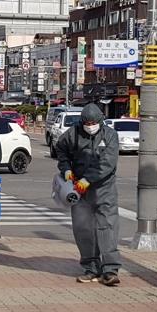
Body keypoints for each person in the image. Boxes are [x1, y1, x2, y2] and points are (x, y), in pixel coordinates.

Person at [55, 103, 121, 286]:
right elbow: (60, 149)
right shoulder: (73, 133)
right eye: (87, 122)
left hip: (104, 189)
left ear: (100, 121)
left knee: (107, 227)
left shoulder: (110, 136)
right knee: (83, 229)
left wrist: (88, 180)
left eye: (93, 122)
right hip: (79, 190)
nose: (90, 125)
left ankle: (110, 270)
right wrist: (66, 168)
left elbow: (107, 163)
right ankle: (91, 267)